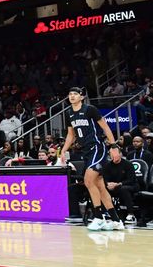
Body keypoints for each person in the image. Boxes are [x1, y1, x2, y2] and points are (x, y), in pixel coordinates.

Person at [59, 87, 123, 231]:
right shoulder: (69, 113)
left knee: (88, 181)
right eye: (70, 94)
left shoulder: (90, 109)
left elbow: (106, 127)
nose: (72, 96)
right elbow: (71, 134)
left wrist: (113, 146)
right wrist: (63, 149)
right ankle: (116, 220)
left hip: (97, 148)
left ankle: (99, 217)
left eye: (75, 94)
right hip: (86, 151)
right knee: (99, 185)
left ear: (81, 97)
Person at [102, 146, 138, 225]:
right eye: (111, 153)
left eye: (114, 153)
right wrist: (107, 184)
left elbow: (131, 180)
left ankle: (131, 215)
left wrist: (118, 184)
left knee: (123, 189)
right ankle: (106, 212)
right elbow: (104, 178)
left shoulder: (128, 164)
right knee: (102, 188)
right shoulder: (107, 165)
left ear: (120, 154)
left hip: (129, 185)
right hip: (113, 186)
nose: (112, 155)